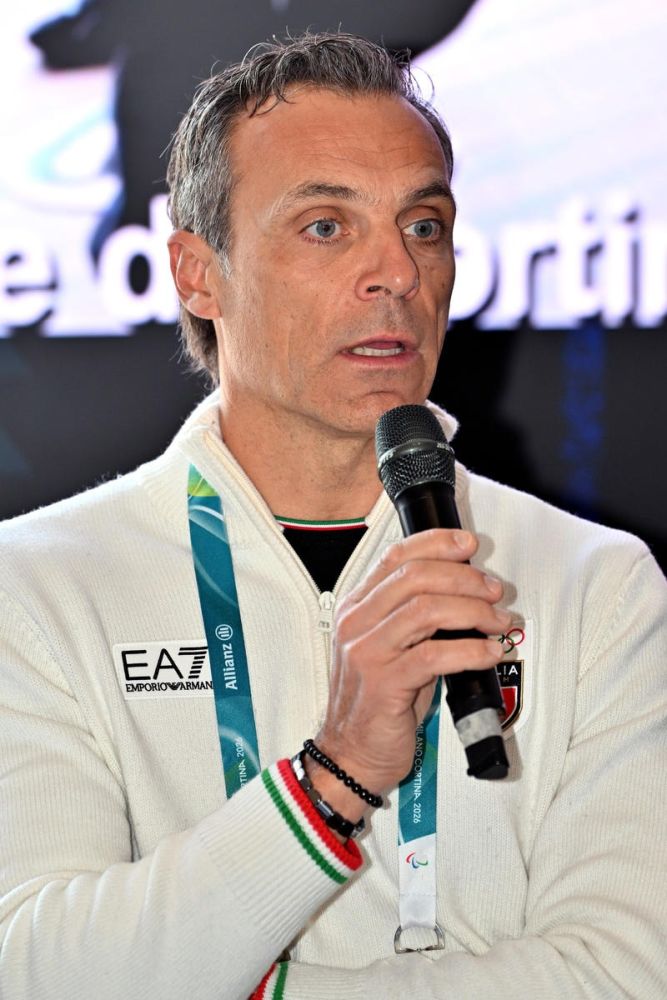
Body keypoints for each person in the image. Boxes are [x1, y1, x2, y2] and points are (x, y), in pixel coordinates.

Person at [0, 31, 665, 1000]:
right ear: (197, 273)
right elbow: (34, 971)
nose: (396, 271)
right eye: (325, 226)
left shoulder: (595, 582)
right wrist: (336, 773)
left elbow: (627, 975)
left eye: (423, 225)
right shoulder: (35, 584)